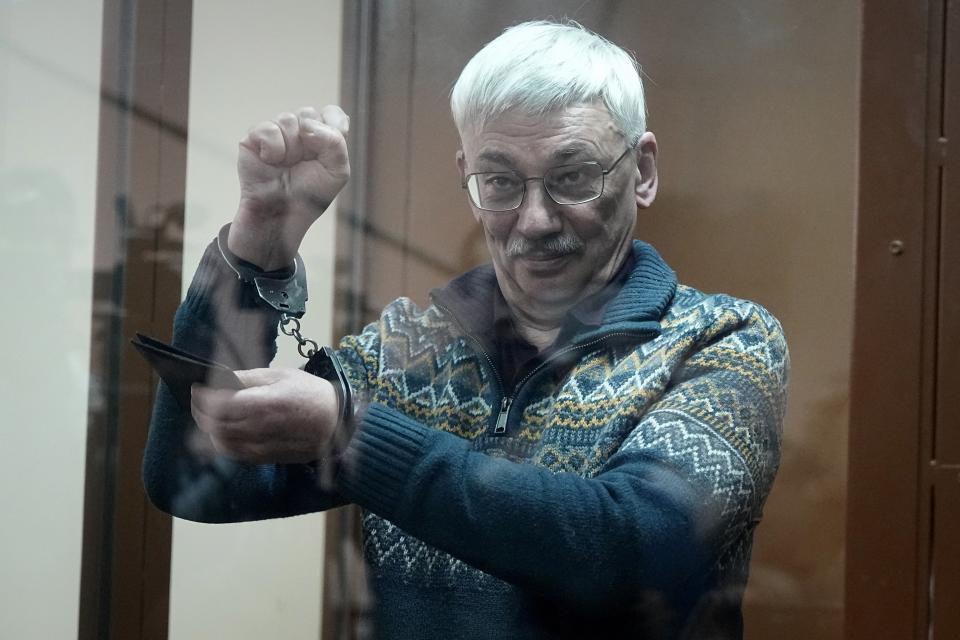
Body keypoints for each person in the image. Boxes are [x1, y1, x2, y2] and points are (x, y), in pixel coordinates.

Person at [143, 19, 788, 640]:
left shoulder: (725, 341)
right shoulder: (409, 351)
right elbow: (194, 479)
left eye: (572, 177)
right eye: (501, 182)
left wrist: (352, 434)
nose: (534, 220)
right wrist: (259, 240)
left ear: (641, 172)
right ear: (467, 179)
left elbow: (632, 551)